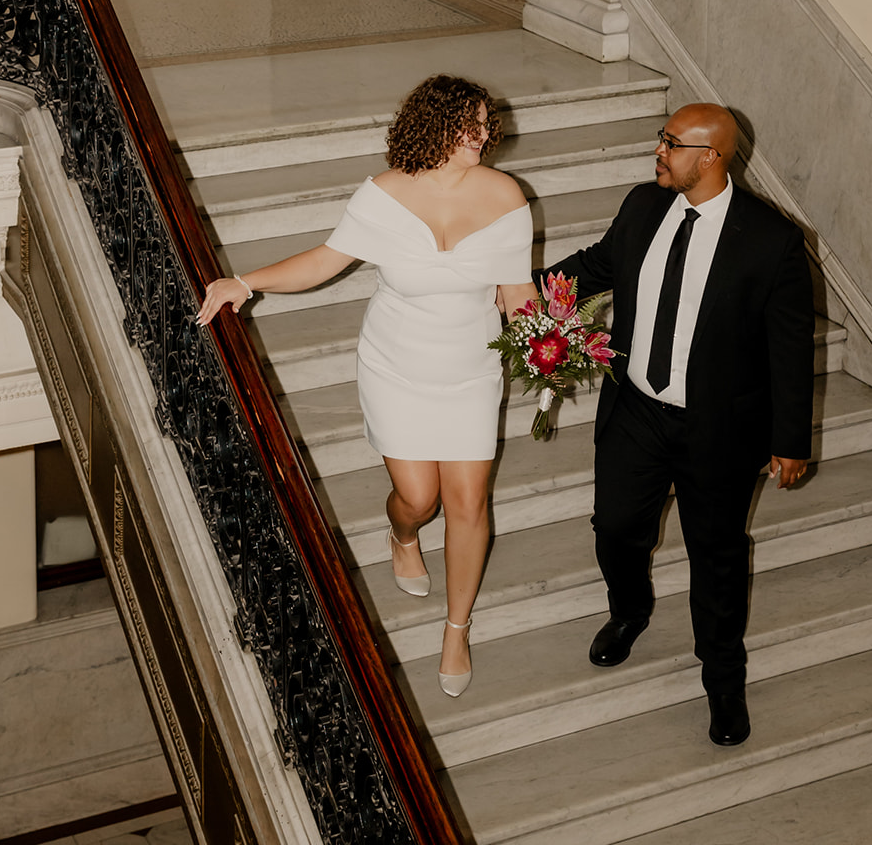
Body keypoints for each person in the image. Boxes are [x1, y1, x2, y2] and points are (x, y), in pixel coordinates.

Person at [198, 75, 535, 698]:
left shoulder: (507, 195)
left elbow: (518, 293)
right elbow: (327, 260)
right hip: (398, 365)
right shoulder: (383, 195)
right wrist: (245, 282)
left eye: (488, 124)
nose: (485, 135)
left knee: (468, 503)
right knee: (418, 496)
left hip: (470, 368)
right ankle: (402, 533)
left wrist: (549, 344)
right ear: (434, 126)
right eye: (472, 125)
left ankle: (456, 628)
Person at [540, 103, 813, 746]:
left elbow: (790, 348)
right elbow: (598, 266)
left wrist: (789, 440)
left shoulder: (770, 241)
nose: (657, 152)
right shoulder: (644, 205)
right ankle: (629, 610)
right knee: (615, 528)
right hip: (636, 411)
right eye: (661, 140)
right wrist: (518, 290)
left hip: (717, 430)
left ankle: (722, 679)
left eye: (670, 143)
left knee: (716, 557)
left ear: (711, 156)